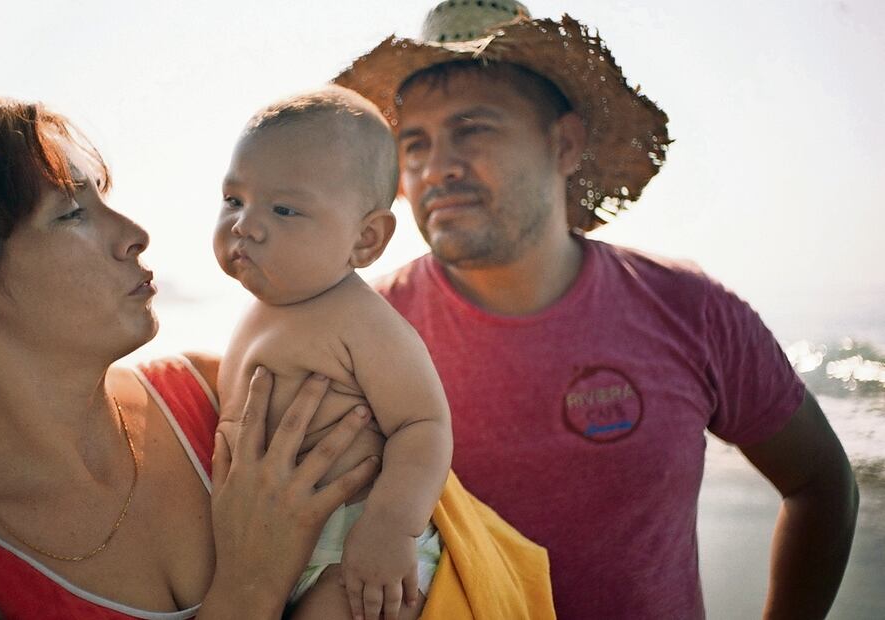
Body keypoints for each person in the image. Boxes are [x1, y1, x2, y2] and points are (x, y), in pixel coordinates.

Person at [333, 1, 860, 618]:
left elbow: (822, 485)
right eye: (414, 144)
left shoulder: (689, 309)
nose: (436, 169)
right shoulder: (362, 333)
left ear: (564, 144)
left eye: (474, 129)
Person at [0, 98, 384, 619]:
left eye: (102, 195)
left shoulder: (227, 395)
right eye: (71, 213)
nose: (135, 235)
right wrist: (251, 584)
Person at [213, 87, 452, 620]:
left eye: (284, 209)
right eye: (234, 199)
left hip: (359, 549)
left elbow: (424, 423)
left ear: (366, 239)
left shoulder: (363, 321)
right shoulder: (259, 313)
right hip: (274, 546)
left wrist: (391, 524)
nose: (245, 224)